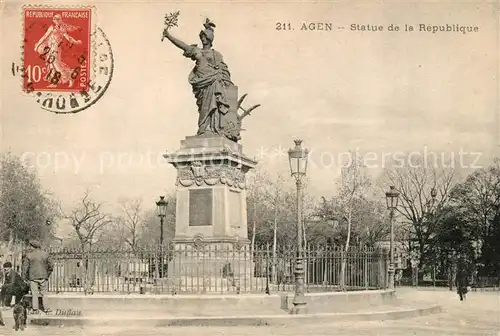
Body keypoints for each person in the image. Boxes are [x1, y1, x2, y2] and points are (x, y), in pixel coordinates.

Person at [163, 18, 241, 140]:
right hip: (201, 84)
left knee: (214, 107)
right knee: (204, 108)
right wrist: (168, 36)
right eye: (201, 37)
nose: (203, 39)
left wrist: (225, 82)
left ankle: (214, 129)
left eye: (205, 37)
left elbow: (224, 71)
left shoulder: (217, 54)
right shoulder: (197, 51)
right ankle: (204, 129)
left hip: (214, 82)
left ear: (210, 39)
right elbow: (183, 46)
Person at [33, 14, 82, 88]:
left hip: (56, 48)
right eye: (55, 19)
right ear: (53, 20)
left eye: (58, 19)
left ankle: (69, 77)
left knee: (56, 64)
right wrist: (37, 45)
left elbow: (68, 37)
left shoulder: (62, 28)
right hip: (50, 48)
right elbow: (44, 37)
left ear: (61, 20)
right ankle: (55, 82)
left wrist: (76, 42)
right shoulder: (52, 28)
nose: (57, 21)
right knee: (52, 65)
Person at [21, 240, 54, 313]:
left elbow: (25, 268)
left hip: (33, 277)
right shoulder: (46, 254)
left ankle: (35, 309)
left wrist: (24, 278)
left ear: (33, 247)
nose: (30, 248)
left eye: (31, 246)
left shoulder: (29, 255)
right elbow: (51, 266)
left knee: (34, 294)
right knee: (44, 293)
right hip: (43, 276)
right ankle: (47, 309)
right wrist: (47, 274)